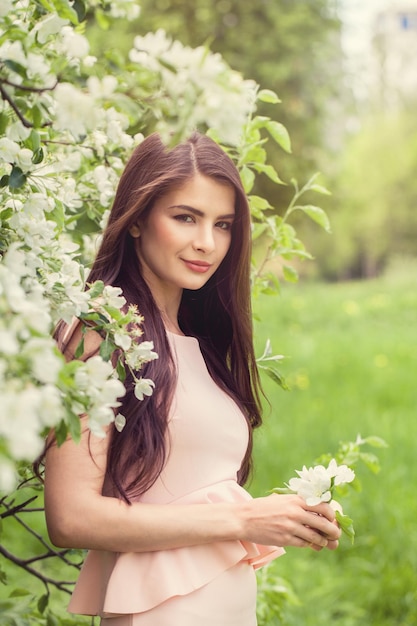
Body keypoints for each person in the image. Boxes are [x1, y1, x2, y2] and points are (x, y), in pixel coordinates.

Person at [42, 131, 341, 626]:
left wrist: (287, 514)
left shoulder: (197, 344)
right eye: (185, 217)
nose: (207, 242)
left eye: (222, 224)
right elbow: (71, 517)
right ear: (137, 219)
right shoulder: (101, 334)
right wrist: (248, 518)